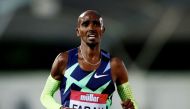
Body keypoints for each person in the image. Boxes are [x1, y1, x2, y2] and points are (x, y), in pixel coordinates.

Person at [40, 10, 138, 109]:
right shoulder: (64, 60)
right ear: (78, 31)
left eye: (96, 24)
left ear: (102, 30)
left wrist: (131, 107)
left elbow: (131, 102)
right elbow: (45, 96)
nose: (91, 28)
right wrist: (59, 108)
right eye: (85, 24)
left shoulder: (115, 65)